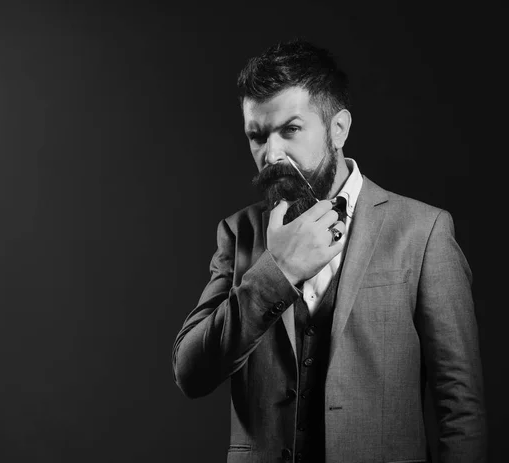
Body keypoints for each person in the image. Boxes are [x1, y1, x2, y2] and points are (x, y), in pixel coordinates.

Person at [171, 39, 486, 463]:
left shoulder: (423, 231)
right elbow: (191, 373)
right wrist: (276, 270)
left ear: (338, 129)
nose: (272, 154)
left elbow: (460, 405)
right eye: (257, 136)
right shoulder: (239, 232)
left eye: (291, 129)